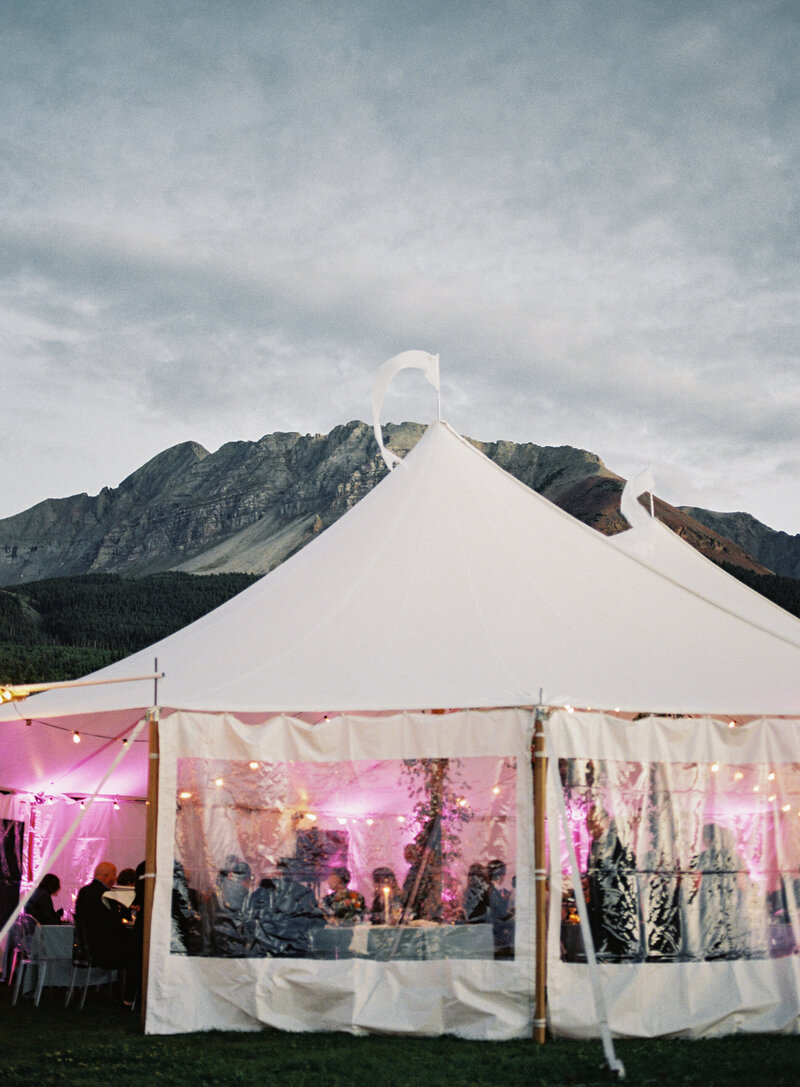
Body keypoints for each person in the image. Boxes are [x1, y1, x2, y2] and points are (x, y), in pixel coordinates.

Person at [75, 861, 139, 1002]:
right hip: (105, 951)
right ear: (106, 876)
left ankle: (122, 994)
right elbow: (114, 924)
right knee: (137, 954)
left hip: (88, 949)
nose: (115, 879)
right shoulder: (105, 895)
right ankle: (129, 998)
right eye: (113, 875)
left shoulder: (84, 892)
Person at [585, 805, 641, 962]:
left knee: (616, 949)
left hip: (614, 909)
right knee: (600, 950)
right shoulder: (593, 845)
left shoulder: (617, 844)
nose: (589, 825)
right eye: (588, 821)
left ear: (604, 822)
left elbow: (628, 872)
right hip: (597, 909)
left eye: (592, 821)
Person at [689, 822, 749, 960]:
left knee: (709, 944)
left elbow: (694, 886)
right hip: (729, 906)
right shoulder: (735, 858)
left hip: (707, 908)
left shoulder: (700, 858)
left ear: (706, 839)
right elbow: (742, 885)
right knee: (729, 944)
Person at [248, 859, 324, 957]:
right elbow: (316, 922)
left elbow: (250, 918)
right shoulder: (305, 893)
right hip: (288, 948)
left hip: (279, 948)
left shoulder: (304, 893)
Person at [207, 856, 252, 957]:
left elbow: (208, 927)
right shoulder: (243, 893)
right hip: (236, 946)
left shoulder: (217, 893)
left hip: (219, 944)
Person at [487, 859, 515, 958]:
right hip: (497, 936)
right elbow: (501, 914)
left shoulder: (489, 889)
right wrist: (512, 913)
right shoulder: (494, 891)